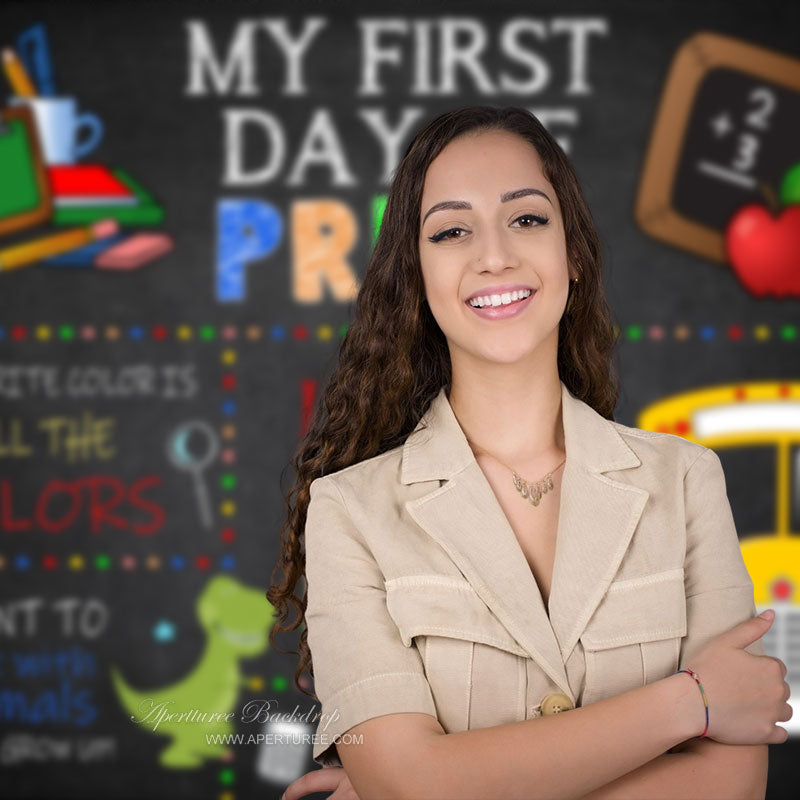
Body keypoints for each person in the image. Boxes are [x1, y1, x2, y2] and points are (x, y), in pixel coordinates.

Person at [267, 105, 791, 800]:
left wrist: (442, 783)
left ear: (571, 252)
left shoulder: (688, 481)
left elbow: (731, 785)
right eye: (452, 231)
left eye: (527, 218)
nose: (494, 256)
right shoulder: (348, 512)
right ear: (417, 277)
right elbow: (409, 785)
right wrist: (690, 702)